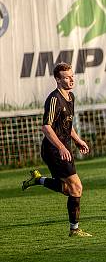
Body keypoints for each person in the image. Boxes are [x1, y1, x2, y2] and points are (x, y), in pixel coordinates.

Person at [21, 63, 92, 237]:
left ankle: (39, 180)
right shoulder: (54, 99)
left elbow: (67, 125)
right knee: (76, 187)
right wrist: (60, 146)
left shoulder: (71, 97)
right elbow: (46, 127)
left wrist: (77, 141)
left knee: (70, 190)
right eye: (66, 77)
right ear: (58, 80)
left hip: (64, 148)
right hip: (53, 149)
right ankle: (74, 230)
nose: (71, 79)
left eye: (72, 76)